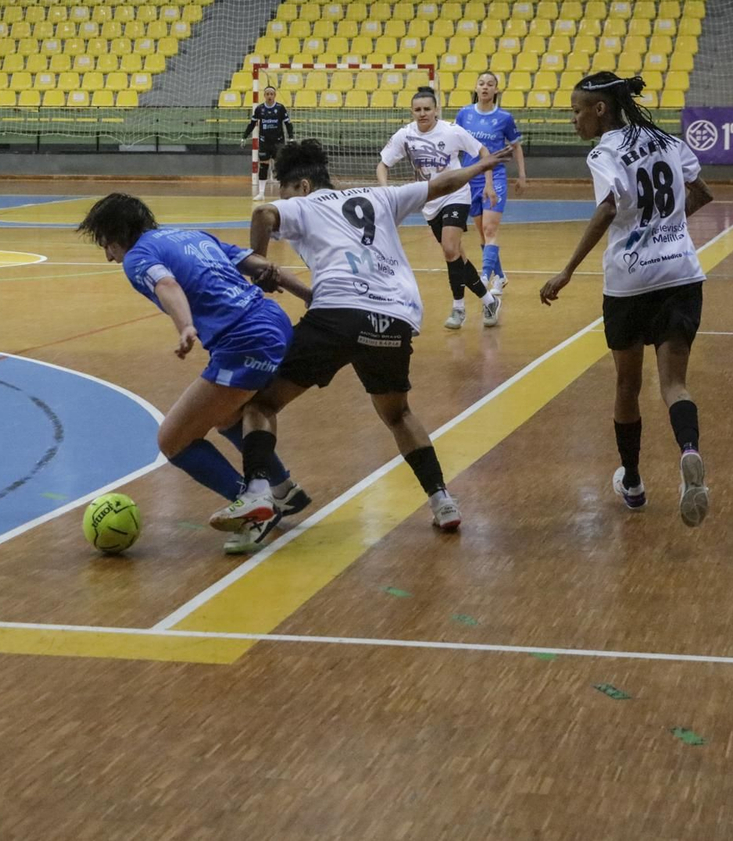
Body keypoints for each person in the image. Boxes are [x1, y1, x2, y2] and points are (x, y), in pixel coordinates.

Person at [231, 137, 514, 534]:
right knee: (398, 414)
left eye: (288, 190)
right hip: (393, 316)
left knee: (260, 406)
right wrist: (480, 167)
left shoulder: (303, 203)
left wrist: (259, 268)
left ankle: (259, 493)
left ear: (303, 186)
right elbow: (444, 184)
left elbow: (263, 214)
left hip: (337, 313)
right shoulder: (382, 196)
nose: (287, 197)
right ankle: (442, 501)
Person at [78, 194, 314, 554]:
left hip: (244, 339)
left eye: (106, 245)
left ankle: (255, 505)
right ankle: (282, 489)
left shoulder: (139, 256)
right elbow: (259, 266)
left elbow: (167, 285)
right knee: (229, 415)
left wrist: (186, 326)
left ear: (116, 234)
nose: (109, 256)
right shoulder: (192, 236)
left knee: (173, 440)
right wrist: (308, 294)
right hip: (272, 321)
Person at [540, 73, 714, 526]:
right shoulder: (667, 139)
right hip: (681, 275)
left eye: (577, 110)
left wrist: (567, 270)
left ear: (600, 109)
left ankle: (633, 482)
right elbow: (702, 192)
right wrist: (668, 227)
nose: (573, 119)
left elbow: (610, 207)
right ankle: (690, 452)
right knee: (674, 384)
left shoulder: (604, 152)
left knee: (626, 387)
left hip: (630, 283)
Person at [378, 87, 501, 330]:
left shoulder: (451, 131)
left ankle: (458, 308)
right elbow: (382, 164)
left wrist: (488, 183)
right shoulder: (405, 135)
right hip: (429, 200)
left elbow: (484, 152)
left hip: (456, 194)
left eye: (427, 109)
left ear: (436, 111)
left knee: (448, 249)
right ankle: (489, 300)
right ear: (412, 112)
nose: (422, 113)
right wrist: (386, 192)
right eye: (418, 110)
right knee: (456, 255)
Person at [455, 71, 527, 296]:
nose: (485, 87)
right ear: (476, 88)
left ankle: (485, 275)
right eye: (481, 83)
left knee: (490, 228)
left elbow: (516, 146)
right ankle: (501, 276)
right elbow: (454, 143)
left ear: (496, 90)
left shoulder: (504, 118)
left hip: (494, 177)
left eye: (490, 84)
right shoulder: (464, 114)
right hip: (470, 178)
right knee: (482, 233)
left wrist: (522, 175)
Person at [244, 85, 293, 202]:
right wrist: (244, 136)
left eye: (272, 94)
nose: (269, 96)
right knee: (263, 166)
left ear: (274, 95)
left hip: (278, 142)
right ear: (264, 95)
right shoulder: (259, 109)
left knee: (281, 167)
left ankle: (284, 192)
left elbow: (288, 124)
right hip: (265, 142)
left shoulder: (280, 108)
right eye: (267, 94)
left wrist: (291, 138)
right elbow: (252, 124)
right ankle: (261, 193)